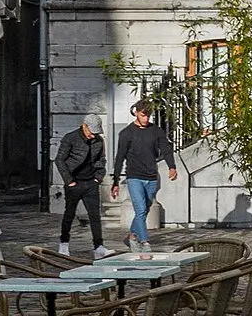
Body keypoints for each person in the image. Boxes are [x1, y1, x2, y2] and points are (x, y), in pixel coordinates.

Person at [112, 101, 179, 250]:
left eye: (148, 116)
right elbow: (120, 157)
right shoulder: (126, 133)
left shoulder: (156, 131)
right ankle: (144, 241)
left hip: (151, 176)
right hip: (134, 176)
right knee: (140, 209)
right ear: (136, 112)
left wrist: (172, 166)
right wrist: (115, 181)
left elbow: (166, 149)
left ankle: (131, 235)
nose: (146, 119)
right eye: (143, 115)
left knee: (146, 208)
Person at [55, 117, 111, 258]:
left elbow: (101, 159)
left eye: (95, 133)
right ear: (84, 126)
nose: (93, 136)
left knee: (95, 216)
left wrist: (98, 177)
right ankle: (64, 243)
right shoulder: (70, 138)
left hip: (91, 182)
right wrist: (69, 181)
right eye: (91, 132)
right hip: (74, 182)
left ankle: (98, 246)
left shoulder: (98, 141)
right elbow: (59, 159)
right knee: (69, 214)